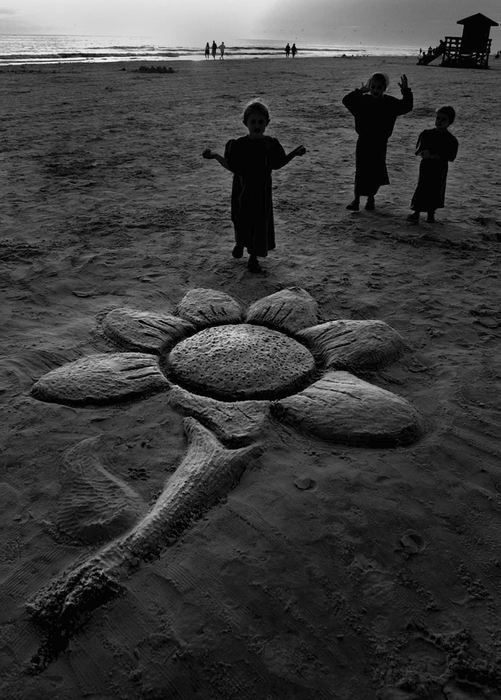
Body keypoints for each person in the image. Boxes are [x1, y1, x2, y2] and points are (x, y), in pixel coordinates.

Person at [202, 100, 306, 272]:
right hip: (242, 189)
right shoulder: (238, 145)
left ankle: (252, 257)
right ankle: (240, 243)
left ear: (267, 123)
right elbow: (231, 166)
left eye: (260, 122)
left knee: (259, 222)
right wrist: (215, 156)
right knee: (241, 218)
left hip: (261, 191)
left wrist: (294, 153)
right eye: (253, 122)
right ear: (246, 123)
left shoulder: (270, 144)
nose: (257, 125)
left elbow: (278, 163)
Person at [342, 72, 413, 211]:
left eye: (379, 87)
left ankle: (370, 199)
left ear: (384, 88)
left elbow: (407, 106)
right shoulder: (363, 101)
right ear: (370, 86)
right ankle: (356, 200)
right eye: (373, 87)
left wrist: (406, 91)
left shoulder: (389, 103)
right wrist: (360, 91)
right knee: (361, 171)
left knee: (375, 172)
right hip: (364, 141)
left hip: (380, 143)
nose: (375, 90)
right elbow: (346, 101)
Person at [407, 106, 458, 224]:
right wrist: (423, 153)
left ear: (449, 122)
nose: (439, 121)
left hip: (440, 168)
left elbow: (451, 156)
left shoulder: (451, 140)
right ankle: (416, 212)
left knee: (436, 189)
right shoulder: (426, 134)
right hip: (426, 166)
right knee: (422, 187)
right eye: (438, 118)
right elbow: (418, 150)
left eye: (443, 119)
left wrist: (434, 156)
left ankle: (431, 214)